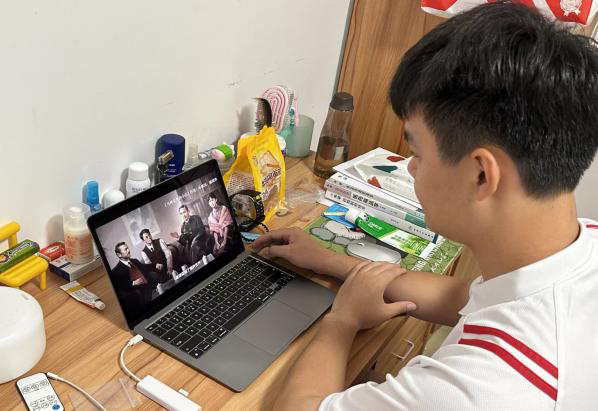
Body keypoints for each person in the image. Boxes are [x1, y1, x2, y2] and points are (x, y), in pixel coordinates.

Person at [253, 3, 598, 410]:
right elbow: (465, 296)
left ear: (481, 175)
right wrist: (330, 262)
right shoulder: (581, 245)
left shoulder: (476, 391)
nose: (411, 168)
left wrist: (342, 321)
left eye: (416, 153)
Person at [111, 242, 162, 313]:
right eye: (125, 249)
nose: (128, 250)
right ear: (119, 255)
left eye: (128, 248)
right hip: (137, 293)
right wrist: (133, 283)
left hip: (148, 286)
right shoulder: (116, 270)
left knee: (155, 277)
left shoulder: (134, 261)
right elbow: (120, 287)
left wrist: (155, 265)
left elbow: (145, 268)